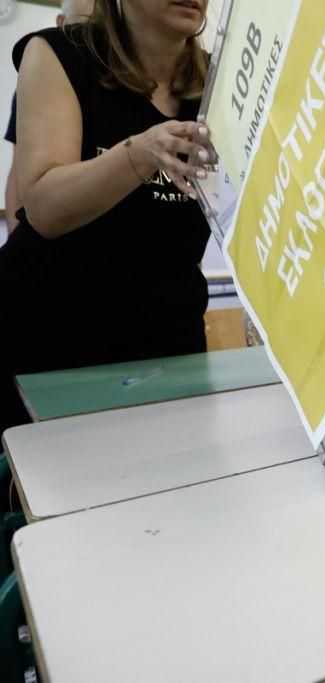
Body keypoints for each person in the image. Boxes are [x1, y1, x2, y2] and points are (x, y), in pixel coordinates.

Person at [0, 0, 212, 435]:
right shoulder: (59, 55)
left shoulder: (219, 82)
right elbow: (42, 206)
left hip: (168, 338)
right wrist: (140, 154)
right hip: (50, 342)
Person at [4, 0, 95, 229]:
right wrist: (16, 235)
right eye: (81, 28)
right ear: (61, 22)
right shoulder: (42, 79)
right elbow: (18, 172)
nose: (90, 40)